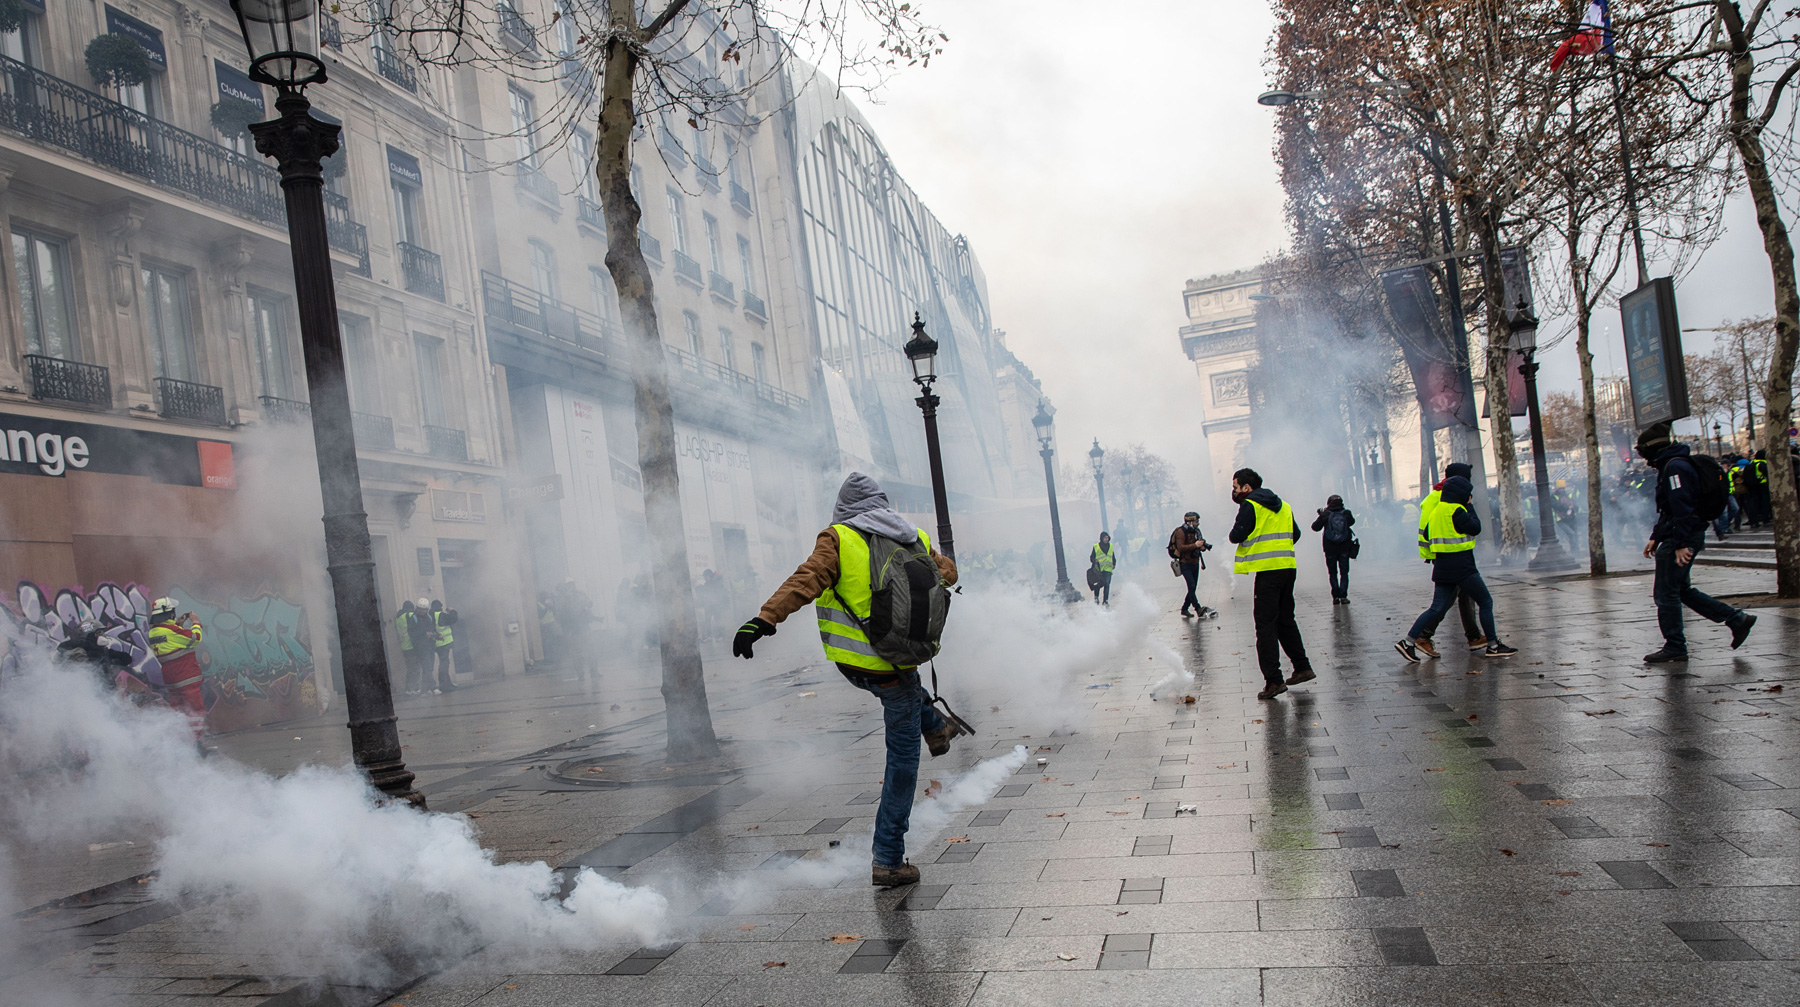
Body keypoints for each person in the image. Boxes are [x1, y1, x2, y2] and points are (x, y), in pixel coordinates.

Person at [731, 472, 962, 888]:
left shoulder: (838, 537)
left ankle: (937, 728)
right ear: (884, 503)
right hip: (900, 662)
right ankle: (889, 861)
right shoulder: (916, 537)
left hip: (856, 664)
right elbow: (950, 575)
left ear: (843, 509)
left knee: (906, 697)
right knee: (903, 764)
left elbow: (805, 580)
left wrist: (763, 620)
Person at [1636, 424, 1757, 663]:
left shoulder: (1674, 468)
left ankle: (1675, 646)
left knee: (1665, 594)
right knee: (1681, 590)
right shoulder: (1674, 464)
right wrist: (1655, 536)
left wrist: (1679, 542)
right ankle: (1736, 619)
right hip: (1680, 534)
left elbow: (1682, 508)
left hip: (1681, 537)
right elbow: (1669, 509)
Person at [1395, 474, 1518, 662]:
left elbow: (1428, 533)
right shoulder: (1457, 511)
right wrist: (1469, 506)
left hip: (1443, 567)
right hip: (1462, 566)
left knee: (1436, 608)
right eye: (1469, 494)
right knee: (1485, 602)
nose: (1470, 497)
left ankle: (1409, 641)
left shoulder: (1436, 511)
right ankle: (1493, 646)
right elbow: (1475, 527)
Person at [1228, 469, 1315, 699]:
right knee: (1286, 620)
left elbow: (1236, 535)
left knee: (1265, 625)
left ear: (1247, 488)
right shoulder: (1283, 505)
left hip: (1268, 572)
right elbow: (1295, 533)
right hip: (1287, 567)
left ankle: (1274, 681)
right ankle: (1302, 667)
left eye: (1235, 487)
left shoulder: (1250, 505)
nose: (1234, 492)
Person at [1413, 462, 1485, 656]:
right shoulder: (1439, 498)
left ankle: (1473, 636)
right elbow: (1429, 531)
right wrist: (1434, 555)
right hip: (1446, 556)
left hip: (1454, 554)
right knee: (1445, 600)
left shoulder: (1451, 493)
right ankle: (1422, 636)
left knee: (1463, 596)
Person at [147, 597, 208, 751]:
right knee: (195, 710)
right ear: (169, 613)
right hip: (186, 676)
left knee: (179, 711)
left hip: (172, 679)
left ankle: (181, 746)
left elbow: (173, 639)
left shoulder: (154, 631)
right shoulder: (172, 631)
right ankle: (196, 746)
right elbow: (195, 638)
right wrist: (195, 622)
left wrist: (178, 624)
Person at [1166, 512, 1214, 618]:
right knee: (1191, 586)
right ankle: (1198, 609)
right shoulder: (1180, 532)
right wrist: (1195, 545)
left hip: (1195, 562)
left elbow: (1198, 543)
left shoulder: (1196, 531)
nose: (1198, 523)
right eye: (1197, 521)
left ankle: (1184, 608)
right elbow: (1181, 547)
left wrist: (1201, 547)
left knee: (1193, 588)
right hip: (1185, 563)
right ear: (1190, 522)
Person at [1311, 494, 1356, 604]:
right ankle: (1343, 596)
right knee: (1344, 572)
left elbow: (1315, 527)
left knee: (1332, 573)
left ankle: (1335, 596)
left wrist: (1322, 514)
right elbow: (1352, 522)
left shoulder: (1326, 514)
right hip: (1344, 547)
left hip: (1330, 548)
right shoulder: (1346, 513)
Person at [555, 579, 601, 681]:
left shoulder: (580, 594)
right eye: (570, 584)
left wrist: (588, 606)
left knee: (590, 649)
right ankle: (581, 674)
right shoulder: (563, 598)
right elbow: (560, 614)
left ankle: (593, 671)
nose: (572, 586)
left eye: (573, 584)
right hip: (571, 629)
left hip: (582, 626)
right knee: (576, 652)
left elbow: (589, 603)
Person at [396, 600, 431, 696]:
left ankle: (409, 688)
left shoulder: (398, 617)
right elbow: (416, 628)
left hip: (404, 646)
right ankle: (414, 688)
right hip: (412, 645)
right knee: (415, 668)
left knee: (410, 668)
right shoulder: (410, 615)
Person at [428, 599, 459, 692]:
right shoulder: (439, 615)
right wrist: (452, 611)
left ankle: (447, 683)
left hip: (435, 643)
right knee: (444, 664)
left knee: (444, 663)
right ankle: (444, 685)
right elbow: (453, 619)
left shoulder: (430, 615)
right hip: (443, 643)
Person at [1088, 531, 1117, 605]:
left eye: (1107, 538)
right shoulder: (1096, 547)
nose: (1106, 539)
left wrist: (1114, 564)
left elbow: (1113, 556)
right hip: (1098, 570)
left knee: (1107, 584)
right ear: (1101, 538)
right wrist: (1095, 561)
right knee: (1098, 585)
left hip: (1108, 569)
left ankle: (1105, 601)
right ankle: (1096, 597)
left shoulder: (1110, 546)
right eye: (1105, 538)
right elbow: (1092, 557)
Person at [536, 591, 561, 670]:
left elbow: (554, 613)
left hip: (552, 624)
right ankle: (548, 659)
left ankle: (555, 658)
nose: (545, 597)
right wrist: (547, 607)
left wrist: (552, 607)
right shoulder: (538, 604)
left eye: (546, 596)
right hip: (545, 626)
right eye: (544, 596)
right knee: (547, 643)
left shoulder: (548, 603)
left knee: (554, 641)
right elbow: (540, 615)